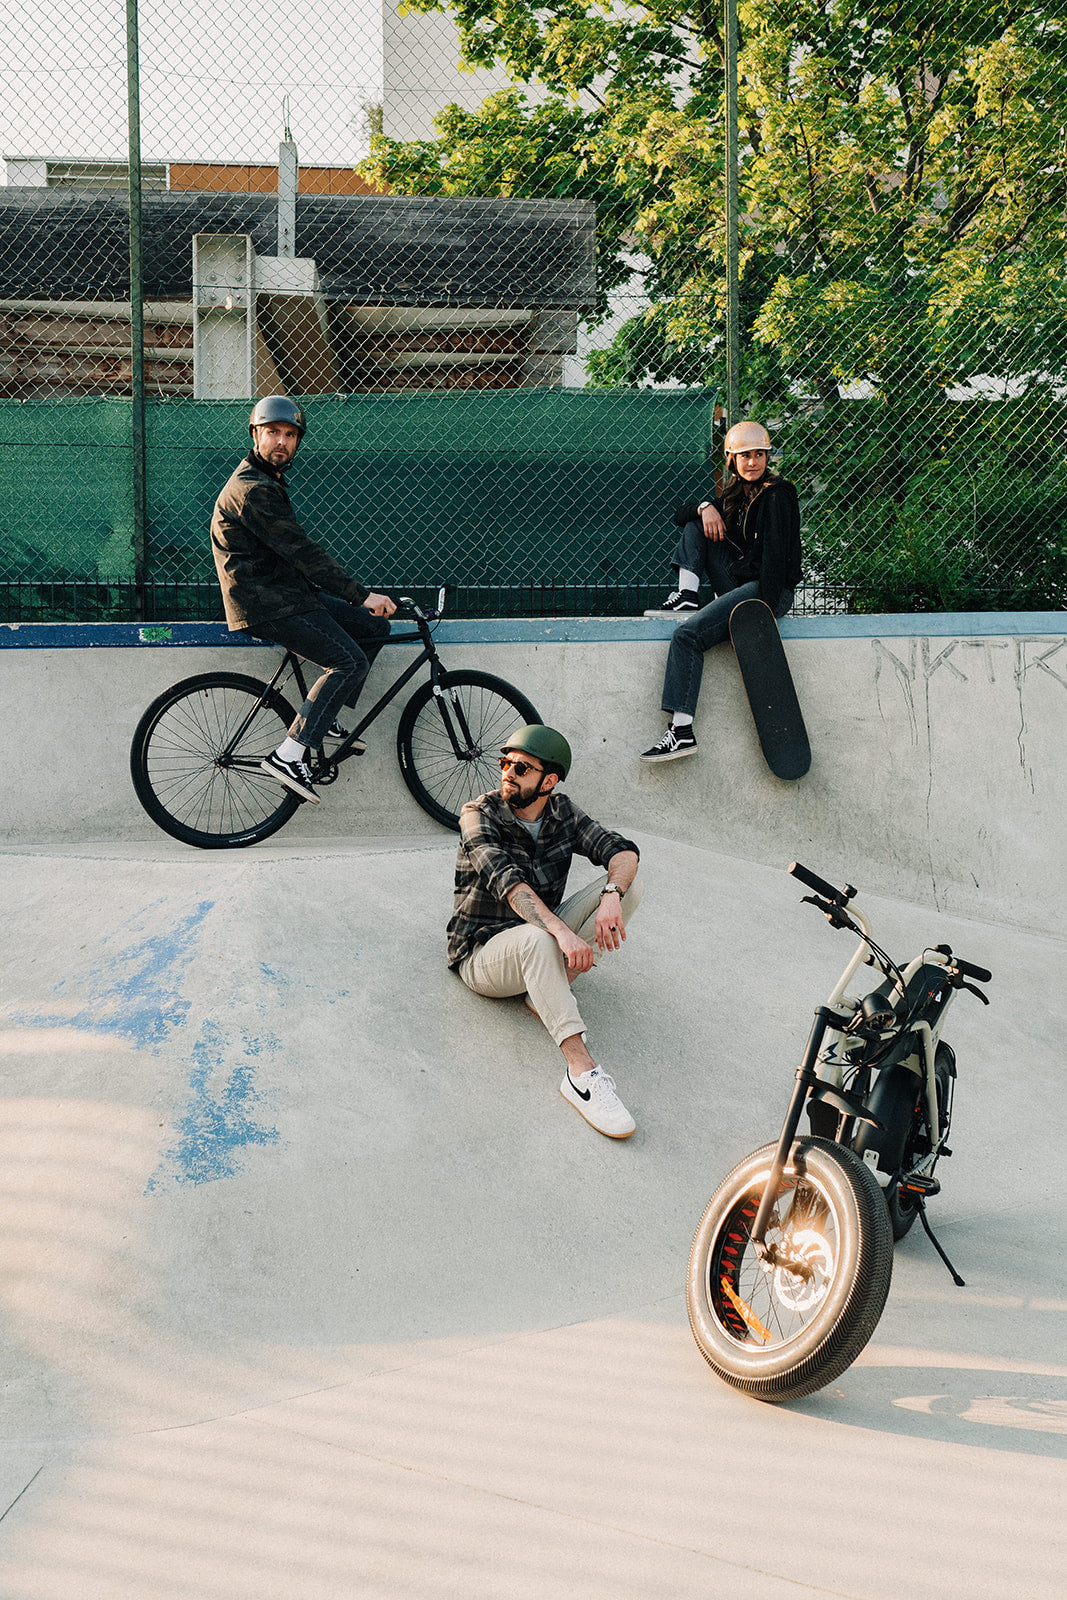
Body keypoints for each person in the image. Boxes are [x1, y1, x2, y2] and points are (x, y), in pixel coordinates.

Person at [447, 724, 643, 1139]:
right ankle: (581, 1074)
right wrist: (562, 934)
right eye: (505, 763)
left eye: (521, 768)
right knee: (538, 936)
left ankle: (546, 993)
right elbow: (508, 884)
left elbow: (622, 851)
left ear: (549, 781)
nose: (508, 773)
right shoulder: (478, 814)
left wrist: (612, 894)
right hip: (482, 954)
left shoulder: (562, 812)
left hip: (538, 941)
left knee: (630, 885)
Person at [210, 394, 397, 803]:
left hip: (285, 595)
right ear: (255, 435)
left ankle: (322, 718)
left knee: (373, 628)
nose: (282, 441)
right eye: (273, 432)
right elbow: (302, 552)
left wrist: (361, 604)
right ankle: (289, 755)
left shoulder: (266, 481)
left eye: (290, 434)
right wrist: (360, 594)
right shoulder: (253, 490)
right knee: (348, 662)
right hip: (266, 603)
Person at [640, 419, 802, 762]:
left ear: (767, 457)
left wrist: (762, 608)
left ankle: (681, 732)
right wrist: (705, 507)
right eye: (745, 456)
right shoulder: (737, 495)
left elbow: (776, 556)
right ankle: (687, 596)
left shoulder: (778, 494)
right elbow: (680, 515)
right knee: (698, 521)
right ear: (732, 460)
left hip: (767, 592)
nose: (753, 462)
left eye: (759, 455)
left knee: (687, 636)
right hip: (742, 584)